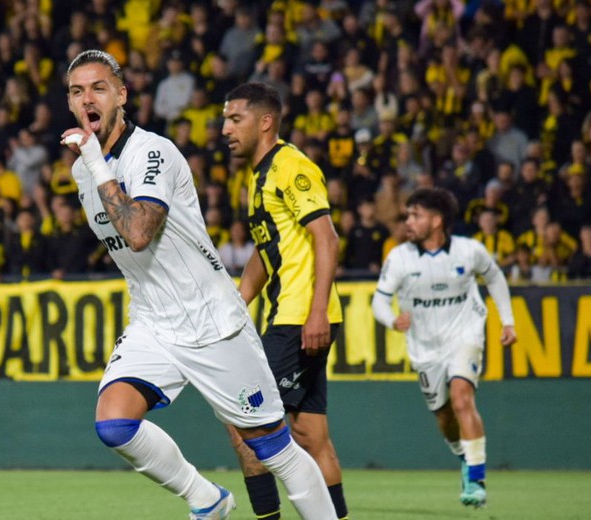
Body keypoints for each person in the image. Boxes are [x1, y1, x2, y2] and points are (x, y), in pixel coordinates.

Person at [60, 50, 337, 520]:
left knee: (275, 449)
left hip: (211, 320)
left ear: (122, 96)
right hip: (153, 322)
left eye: (99, 88)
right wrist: (92, 162)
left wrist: (96, 161)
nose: (88, 98)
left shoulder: (153, 152)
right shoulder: (81, 171)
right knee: (114, 424)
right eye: (77, 91)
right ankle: (207, 499)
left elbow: (139, 232)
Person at [221, 81, 349, 520]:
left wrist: (316, 312)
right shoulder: (258, 175)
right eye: (225, 119)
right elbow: (265, 247)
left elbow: (326, 237)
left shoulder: (292, 166)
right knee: (310, 433)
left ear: (265, 121)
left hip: (300, 317)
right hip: (294, 313)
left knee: (244, 420)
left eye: (235, 118)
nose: (226, 128)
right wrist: (240, 299)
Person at [371, 187, 518, 509]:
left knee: (462, 397)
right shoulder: (399, 257)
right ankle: (466, 455)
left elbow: (495, 278)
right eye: (408, 214)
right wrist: (391, 320)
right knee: (444, 417)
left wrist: (508, 321)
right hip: (425, 347)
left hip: (465, 334)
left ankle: (477, 479)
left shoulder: (469, 251)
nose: (408, 221)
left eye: (416, 215)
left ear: (437, 221)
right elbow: (379, 300)